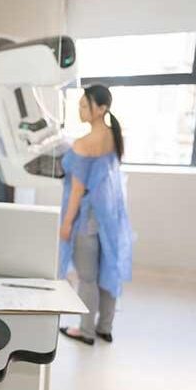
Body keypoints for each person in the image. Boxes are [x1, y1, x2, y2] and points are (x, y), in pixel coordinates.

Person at [58, 84, 133, 345]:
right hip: (110, 215)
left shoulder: (83, 143)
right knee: (108, 269)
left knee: (87, 277)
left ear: (101, 109)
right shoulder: (115, 135)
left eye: (84, 105)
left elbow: (77, 191)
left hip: (86, 218)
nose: (79, 109)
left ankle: (86, 331)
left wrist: (66, 223)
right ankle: (104, 327)